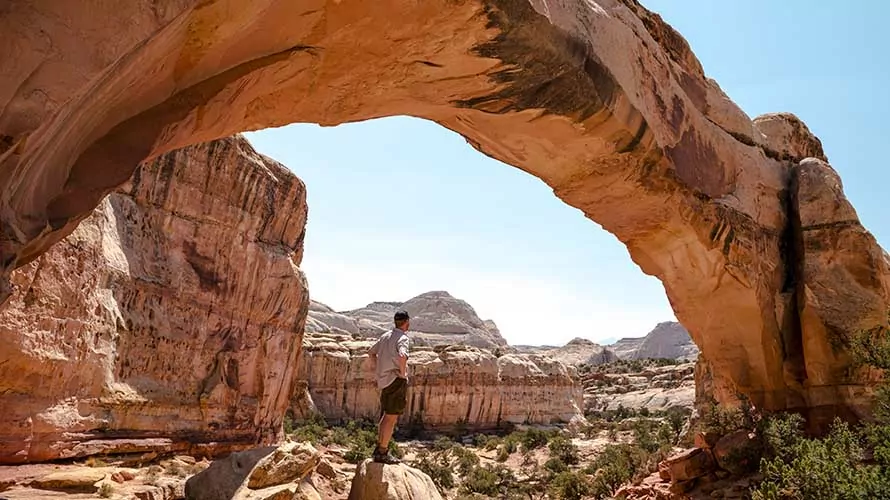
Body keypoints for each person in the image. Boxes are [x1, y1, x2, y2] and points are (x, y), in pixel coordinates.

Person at [367, 309, 411, 464]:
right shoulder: (403, 338)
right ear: (407, 322)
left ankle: (379, 449)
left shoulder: (385, 336)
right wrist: (402, 373)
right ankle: (383, 452)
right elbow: (402, 355)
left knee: (386, 415)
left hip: (384, 381)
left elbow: (371, 352)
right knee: (391, 418)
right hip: (395, 380)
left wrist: (377, 371)